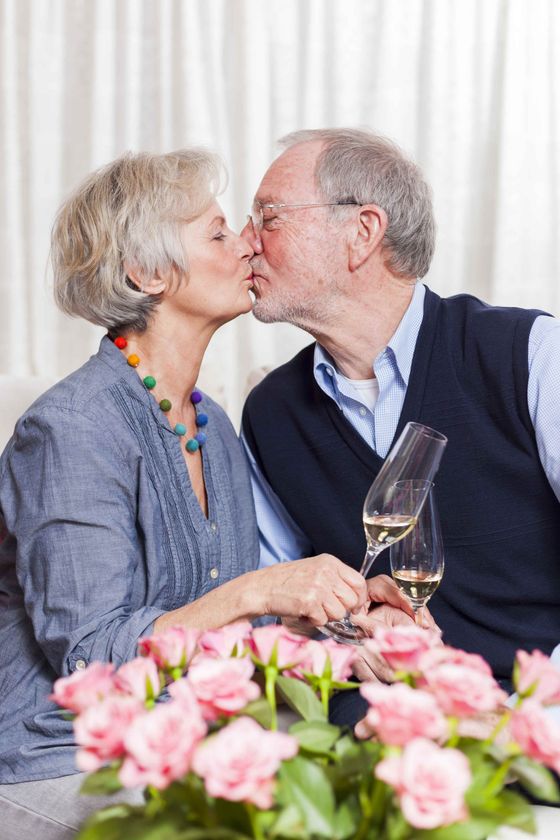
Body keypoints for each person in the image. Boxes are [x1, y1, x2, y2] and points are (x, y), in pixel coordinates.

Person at [0, 148, 410, 839]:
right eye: (219, 233)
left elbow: (224, 632)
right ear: (149, 272)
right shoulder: (71, 429)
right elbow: (93, 656)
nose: (249, 241)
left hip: (178, 741)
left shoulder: (211, 424)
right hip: (59, 751)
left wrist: (343, 625)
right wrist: (263, 589)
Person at [240, 128, 560, 708]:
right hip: (377, 731)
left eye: (269, 216)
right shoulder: (271, 414)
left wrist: (529, 717)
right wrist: (344, 646)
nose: (245, 242)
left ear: (361, 232)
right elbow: (274, 617)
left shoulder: (529, 355)